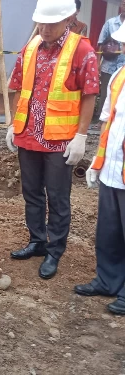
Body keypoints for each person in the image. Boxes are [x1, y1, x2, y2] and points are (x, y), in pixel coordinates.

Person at [6, 0, 98, 280]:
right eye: (41, 23)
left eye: (50, 24)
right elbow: (15, 85)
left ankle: (54, 250)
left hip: (60, 140)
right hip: (29, 134)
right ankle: (37, 240)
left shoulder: (82, 49)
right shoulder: (31, 46)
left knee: (58, 197)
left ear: (67, 20)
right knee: (32, 192)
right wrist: (12, 124)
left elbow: (89, 94)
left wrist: (81, 136)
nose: (44, 29)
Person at [79, 23, 125, 316]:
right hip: (113, 169)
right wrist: (98, 161)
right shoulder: (119, 76)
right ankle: (108, 280)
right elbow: (107, 121)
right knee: (108, 231)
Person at [95, 0, 125, 119]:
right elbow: (101, 43)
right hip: (109, 66)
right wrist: (98, 63)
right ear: (120, 5)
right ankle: (102, 120)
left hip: (123, 67)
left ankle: (118, 120)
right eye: (123, 3)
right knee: (105, 94)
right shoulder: (110, 23)